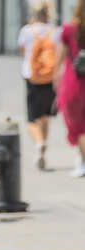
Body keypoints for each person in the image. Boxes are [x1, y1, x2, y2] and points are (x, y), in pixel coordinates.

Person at [18, 4, 59, 171]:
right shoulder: (55, 31)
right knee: (46, 115)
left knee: (32, 117)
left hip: (31, 75)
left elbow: (22, 50)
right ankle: (44, 144)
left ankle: (39, 143)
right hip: (50, 76)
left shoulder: (27, 30)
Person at [54, 0, 85, 177]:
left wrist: (55, 77)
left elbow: (60, 56)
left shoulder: (69, 29)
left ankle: (83, 161)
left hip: (74, 81)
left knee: (78, 125)